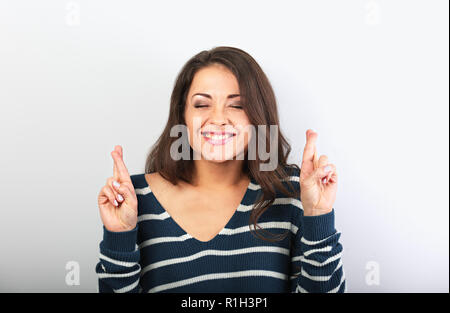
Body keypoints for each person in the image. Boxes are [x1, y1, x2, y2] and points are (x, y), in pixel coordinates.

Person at [96, 46, 345, 293]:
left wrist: (318, 215)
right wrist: (119, 236)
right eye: (202, 105)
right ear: (182, 114)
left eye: (237, 106)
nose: (218, 119)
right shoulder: (134, 199)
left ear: (258, 116)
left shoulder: (292, 192)